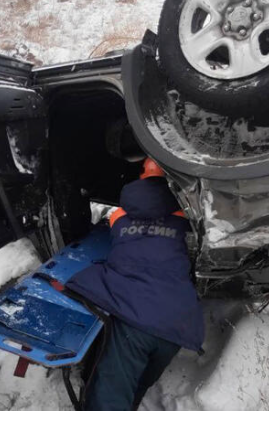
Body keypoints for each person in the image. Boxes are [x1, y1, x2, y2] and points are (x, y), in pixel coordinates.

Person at [66, 158, 205, 411]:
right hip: (179, 323)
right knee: (139, 384)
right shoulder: (187, 215)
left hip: (135, 322)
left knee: (110, 399)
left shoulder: (119, 216)